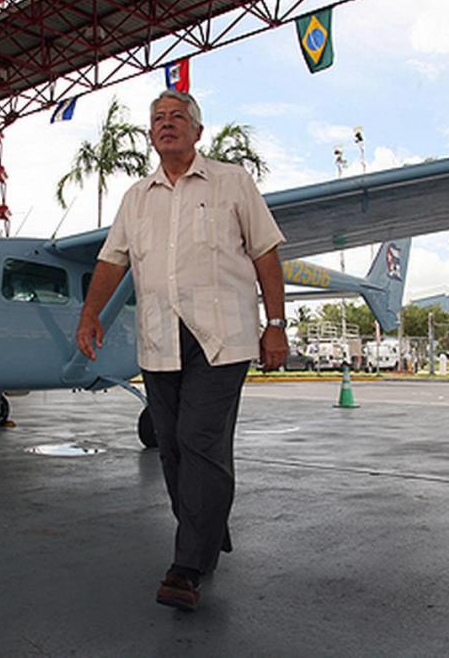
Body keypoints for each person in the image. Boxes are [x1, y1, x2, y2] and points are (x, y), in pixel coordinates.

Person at [75, 90, 287, 611]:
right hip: (159, 337)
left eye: (177, 118)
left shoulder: (232, 183)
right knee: (170, 447)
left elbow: (266, 253)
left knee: (198, 440)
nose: (167, 125)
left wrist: (276, 325)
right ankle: (207, 525)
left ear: (197, 130)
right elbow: (112, 261)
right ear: (150, 136)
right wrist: (90, 313)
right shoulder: (137, 197)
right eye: (158, 120)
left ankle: (186, 566)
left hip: (222, 338)